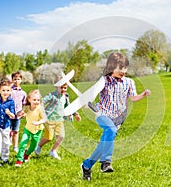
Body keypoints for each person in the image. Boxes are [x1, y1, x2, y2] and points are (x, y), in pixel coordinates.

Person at [81, 52, 151, 181]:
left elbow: (133, 98)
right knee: (110, 130)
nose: (123, 71)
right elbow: (95, 91)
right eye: (120, 68)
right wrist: (87, 100)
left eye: (125, 68)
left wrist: (143, 95)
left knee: (103, 145)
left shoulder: (129, 82)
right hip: (103, 114)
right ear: (111, 67)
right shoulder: (104, 80)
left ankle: (86, 165)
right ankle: (106, 163)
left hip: (118, 119)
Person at [35, 79, 81, 160]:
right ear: (56, 87)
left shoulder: (66, 97)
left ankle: (53, 151)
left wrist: (76, 114)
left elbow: (68, 107)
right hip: (49, 119)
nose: (63, 90)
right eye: (61, 88)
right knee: (48, 137)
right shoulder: (52, 95)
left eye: (65, 88)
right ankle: (38, 146)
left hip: (59, 120)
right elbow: (42, 101)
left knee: (61, 136)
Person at [15, 89, 47, 167]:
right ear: (29, 100)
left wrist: (38, 123)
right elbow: (21, 114)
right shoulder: (27, 108)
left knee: (34, 146)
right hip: (28, 129)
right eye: (34, 100)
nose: (36, 101)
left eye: (38, 100)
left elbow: (45, 119)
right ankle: (19, 160)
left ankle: (27, 153)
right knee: (23, 143)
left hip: (37, 130)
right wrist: (21, 115)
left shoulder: (40, 109)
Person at [10, 71, 27, 152]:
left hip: (18, 115)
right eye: (15, 79)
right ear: (12, 80)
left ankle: (15, 147)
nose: (16, 81)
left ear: (21, 80)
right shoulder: (9, 91)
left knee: (16, 131)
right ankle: (7, 143)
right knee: (8, 131)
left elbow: (24, 104)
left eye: (18, 79)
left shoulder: (23, 93)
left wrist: (23, 112)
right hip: (9, 115)